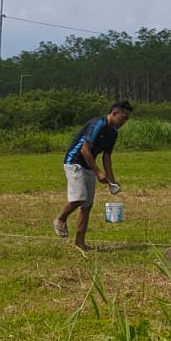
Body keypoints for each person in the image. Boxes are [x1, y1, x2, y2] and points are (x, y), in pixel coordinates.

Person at [55, 101, 133, 251]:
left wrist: (112, 181)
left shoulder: (113, 132)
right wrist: (98, 172)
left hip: (88, 166)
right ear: (114, 113)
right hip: (74, 162)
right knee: (79, 198)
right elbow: (85, 150)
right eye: (123, 117)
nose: (124, 121)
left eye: (127, 119)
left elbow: (107, 157)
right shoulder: (98, 124)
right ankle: (61, 218)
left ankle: (80, 243)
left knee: (87, 205)